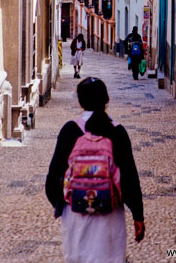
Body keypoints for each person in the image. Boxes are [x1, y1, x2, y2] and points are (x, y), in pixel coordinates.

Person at [45, 77, 145, 263]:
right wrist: (138, 216)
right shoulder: (117, 132)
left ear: (80, 102)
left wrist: (64, 205)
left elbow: (53, 177)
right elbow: (130, 178)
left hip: (76, 216)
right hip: (110, 217)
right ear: (107, 100)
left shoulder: (70, 130)